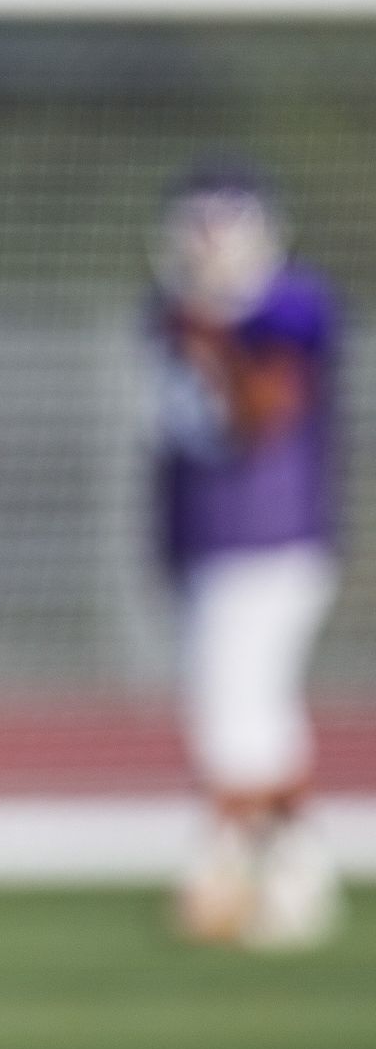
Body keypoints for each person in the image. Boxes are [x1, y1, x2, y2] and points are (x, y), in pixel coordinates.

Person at [152, 164, 345, 950]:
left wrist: (218, 343)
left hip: (275, 539)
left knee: (236, 722)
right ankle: (299, 868)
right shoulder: (167, 312)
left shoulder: (288, 306)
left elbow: (265, 412)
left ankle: (228, 864)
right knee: (260, 718)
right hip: (213, 542)